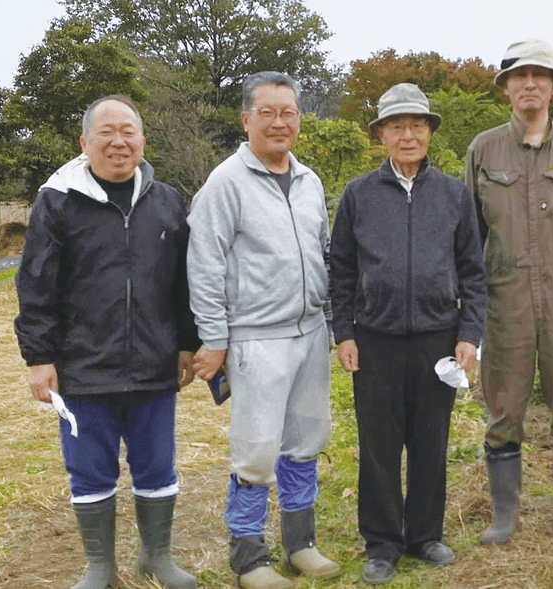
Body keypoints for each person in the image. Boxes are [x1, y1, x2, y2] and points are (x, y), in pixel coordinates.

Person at [14, 94, 199, 589]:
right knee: (90, 471)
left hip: (155, 362)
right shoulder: (57, 200)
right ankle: (101, 566)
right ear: (85, 142)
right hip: (82, 367)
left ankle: (155, 558)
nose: (119, 141)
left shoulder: (167, 200)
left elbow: (184, 281)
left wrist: (187, 341)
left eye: (129, 132)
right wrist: (40, 356)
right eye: (106, 132)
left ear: (143, 139)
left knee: (157, 465)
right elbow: (36, 281)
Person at [330, 83, 488, 585]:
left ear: (429, 132)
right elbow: (341, 271)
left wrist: (469, 333)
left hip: (437, 339)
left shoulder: (454, 195)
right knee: (378, 445)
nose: (407, 134)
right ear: (380, 134)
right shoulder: (358, 195)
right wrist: (344, 332)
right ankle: (381, 542)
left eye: (417, 125)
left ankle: (424, 535)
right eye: (396, 125)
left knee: (430, 442)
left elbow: (473, 271)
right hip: (374, 338)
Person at [187, 71, 339, 589]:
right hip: (255, 336)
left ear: (299, 119)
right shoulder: (225, 183)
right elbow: (204, 265)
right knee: (255, 450)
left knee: (305, 439)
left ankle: (301, 544)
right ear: (247, 119)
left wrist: (335, 324)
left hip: (311, 332)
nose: (279, 123)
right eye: (268, 113)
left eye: (289, 112)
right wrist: (214, 337)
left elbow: (325, 255)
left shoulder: (310, 181)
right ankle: (249, 557)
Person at [465, 38, 553, 547]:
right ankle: (505, 515)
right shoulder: (484, 148)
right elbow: (472, 232)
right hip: (504, 294)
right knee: (504, 409)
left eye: (541, 76)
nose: (530, 84)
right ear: (505, 89)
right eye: (519, 77)